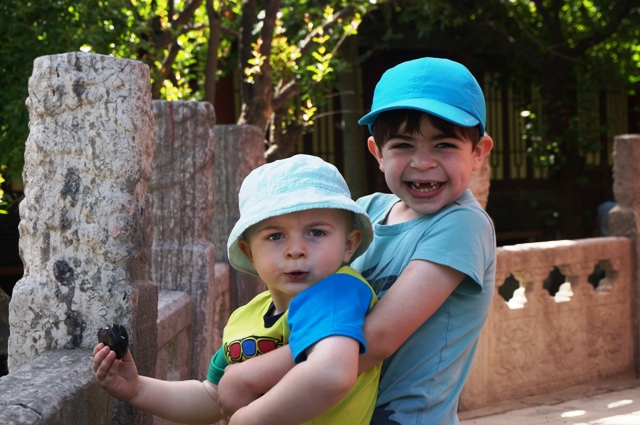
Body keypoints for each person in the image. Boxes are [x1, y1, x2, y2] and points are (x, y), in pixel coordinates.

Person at [216, 57, 496, 425]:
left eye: (443, 145)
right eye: (403, 145)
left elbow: (376, 338)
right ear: (378, 153)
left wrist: (252, 376)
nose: (423, 162)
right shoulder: (366, 213)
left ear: (478, 152)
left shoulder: (462, 223)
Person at [93, 154, 381, 425]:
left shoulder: (337, 291)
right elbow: (212, 396)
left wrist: (248, 420)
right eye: (275, 236)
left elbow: (332, 373)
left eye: (316, 232)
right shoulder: (245, 318)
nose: (296, 249)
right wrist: (138, 389)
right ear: (249, 252)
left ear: (348, 244)